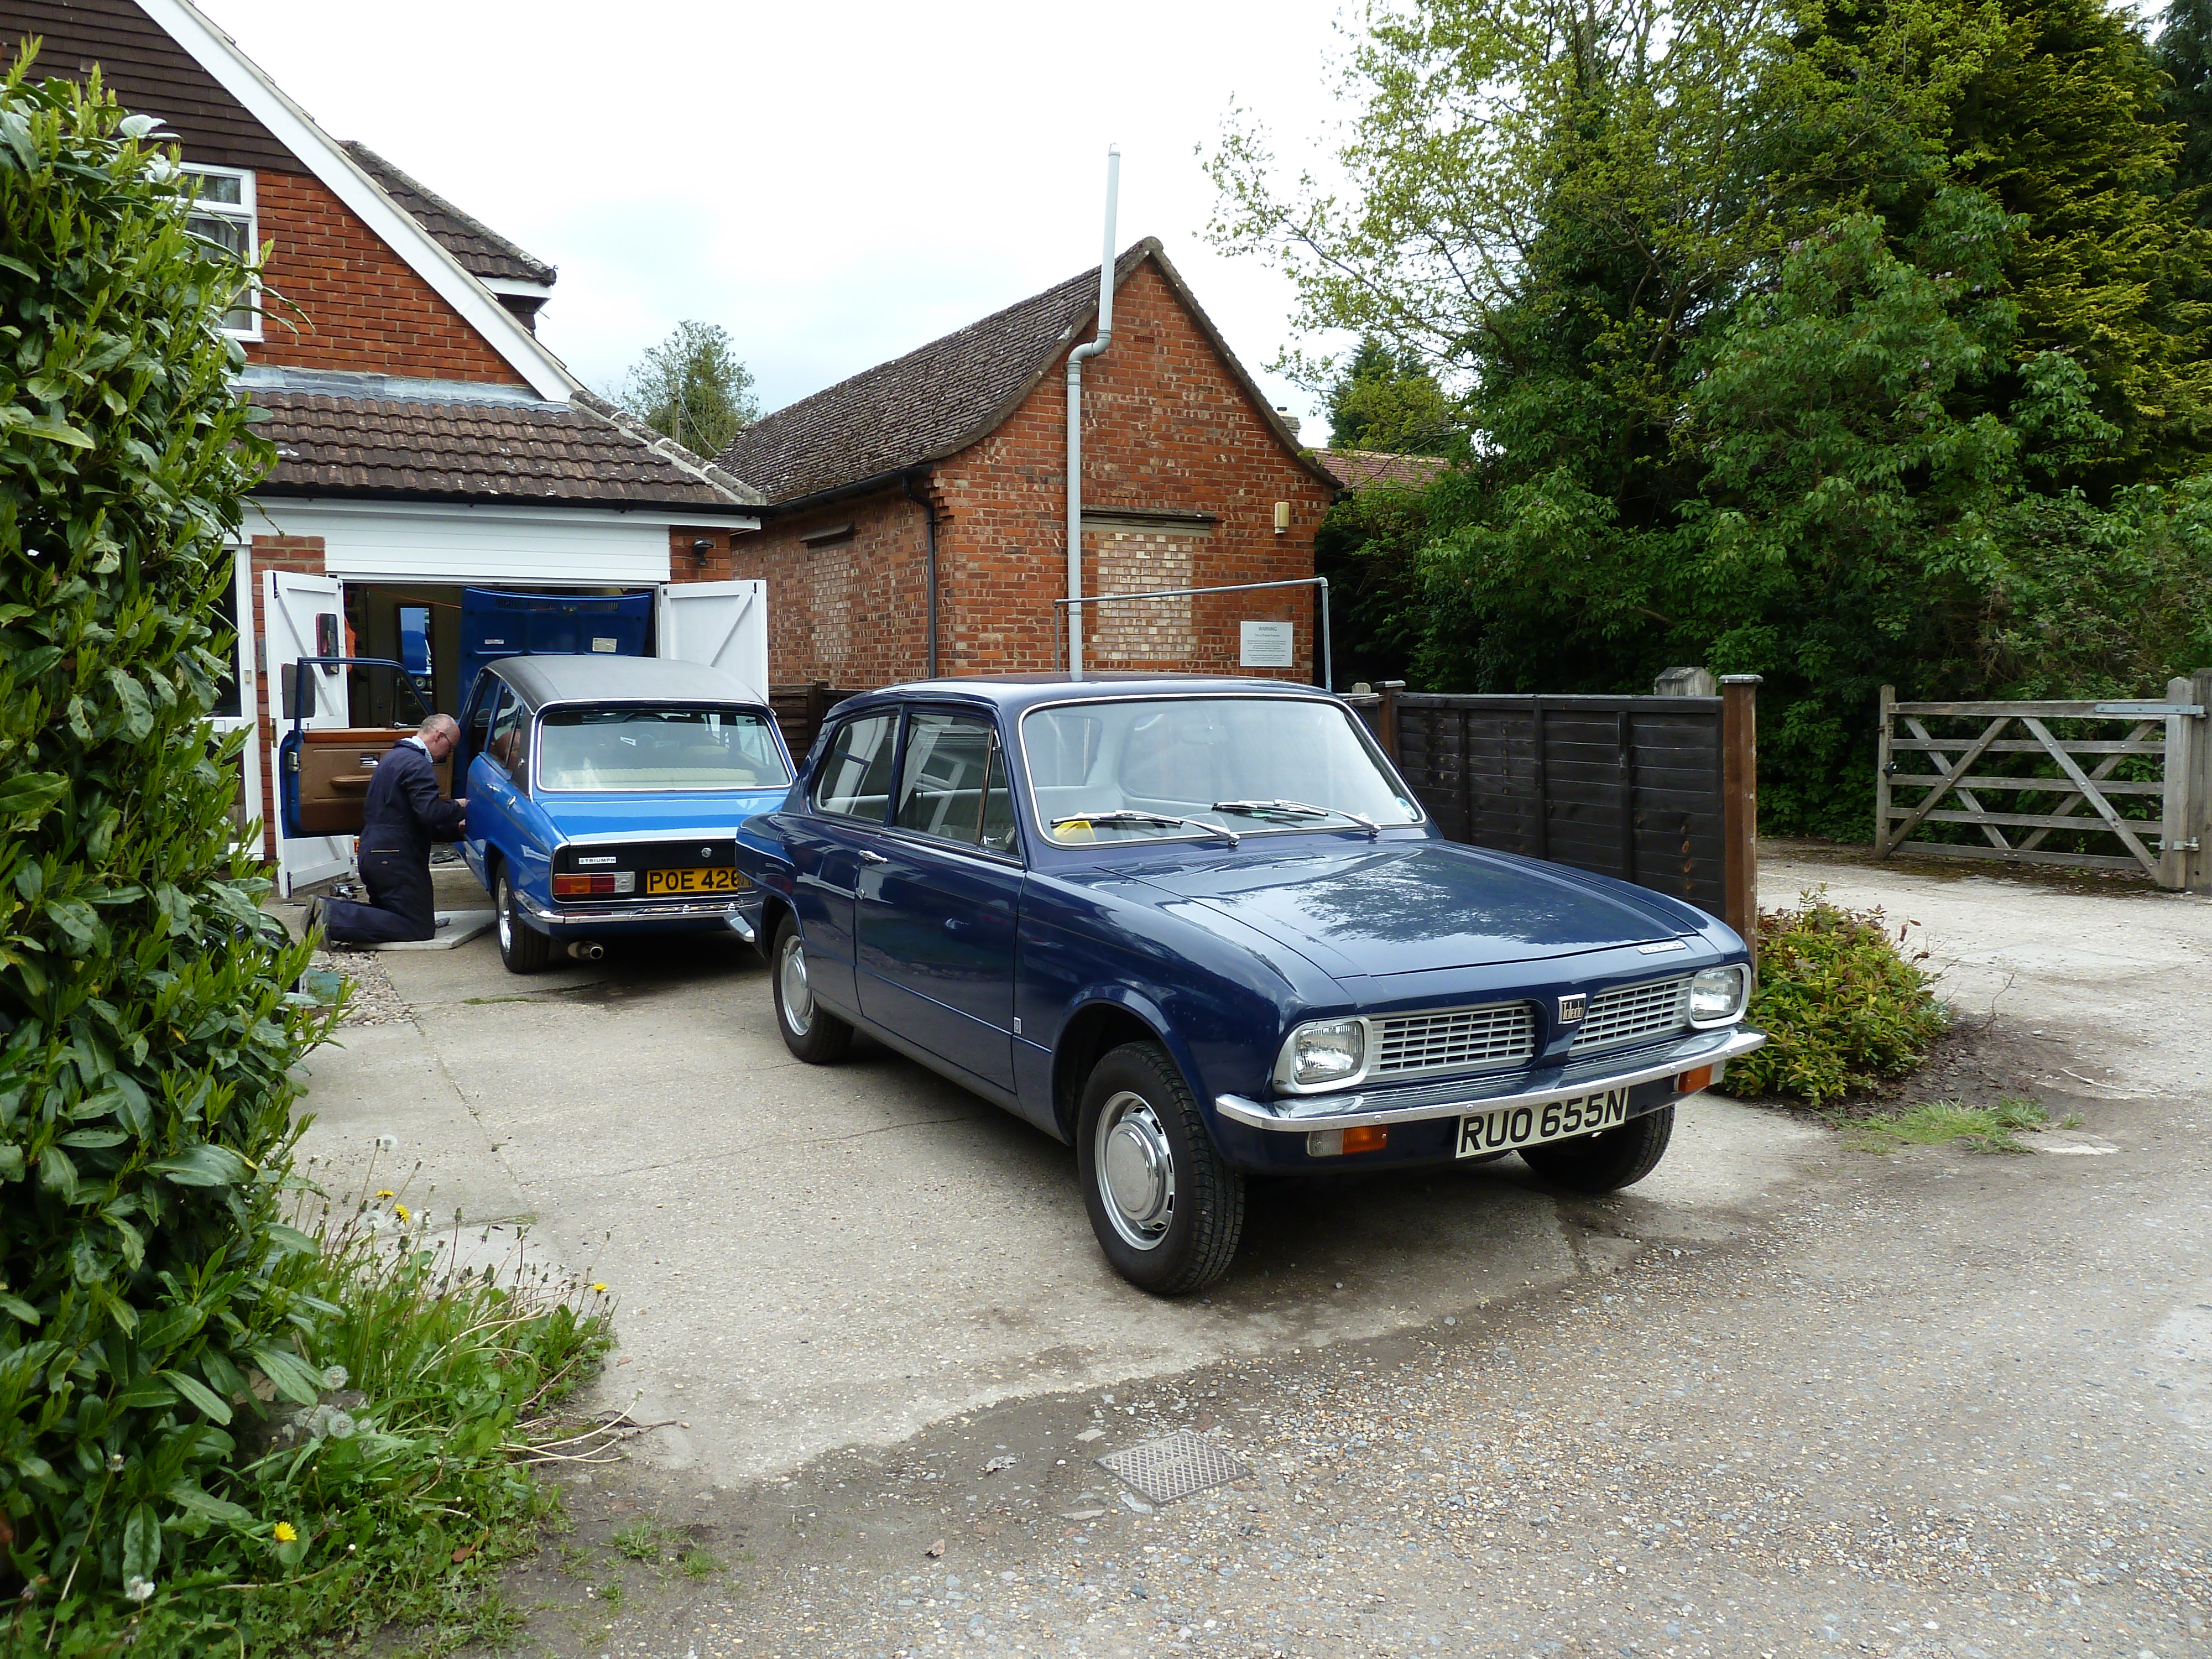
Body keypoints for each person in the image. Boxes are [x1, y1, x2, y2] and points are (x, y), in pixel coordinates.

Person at [309, 713, 468, 945]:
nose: (448, 755)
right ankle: (333, 917)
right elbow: (430, 812)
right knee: (417, 927)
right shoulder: (417, 764)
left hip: (377, 853)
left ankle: (327, 911)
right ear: (439, 736)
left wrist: (456, 830)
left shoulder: (393, 758)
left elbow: (412, 821)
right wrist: (462, 806)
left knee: (390, 914)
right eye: (450, 747)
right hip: (396, 857)